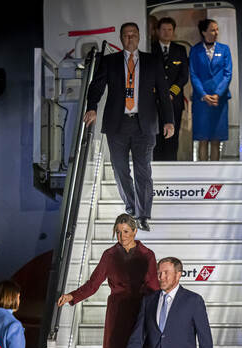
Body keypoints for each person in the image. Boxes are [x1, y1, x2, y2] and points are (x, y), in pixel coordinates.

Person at [57, 214, 158, 348]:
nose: (122, 236)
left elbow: (154, 286)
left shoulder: (147, 255)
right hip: (118, 314)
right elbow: (93, 284)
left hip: (140, 311)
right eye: (119, 232)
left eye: (126, 232)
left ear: (135, 232)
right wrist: (71, 296)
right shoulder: (109, 255)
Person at [84, 22, 175, 232]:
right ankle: (131, 206)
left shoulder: (152, 61)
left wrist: (169, 120)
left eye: (133, 34)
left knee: (143, 170)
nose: (130, 38)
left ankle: (143, 215)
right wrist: (92, 108)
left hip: (145, 124)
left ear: (139, 36)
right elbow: (96, 87)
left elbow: (163, 92)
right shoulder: (110, 61)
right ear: (121, 38)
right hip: (117, 125)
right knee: (120, 170)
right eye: (126, 35)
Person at [189, 19, 232, 161]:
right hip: (202, 100)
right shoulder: (195, 50)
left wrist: (217, 94)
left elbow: (228, 74)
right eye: (213, 30)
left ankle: (215, 174)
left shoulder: (224, 49)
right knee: (203, 137)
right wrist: (204, 95)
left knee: (216, 137)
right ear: (203, 32)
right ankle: (202, 173)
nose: (216, 33)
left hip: (219, 99)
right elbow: (193, 75)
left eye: (217, 29)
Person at [152, 17, 189, 161]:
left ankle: (172, 165)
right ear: (157, 31)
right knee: (156, 135)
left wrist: (171, 92)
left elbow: (184, 76)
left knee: (173, 135)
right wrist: (160, 94)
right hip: (154, 101)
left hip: (175, 101)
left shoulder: (180, 50)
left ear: (173, 31)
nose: (166, 33)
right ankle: (156, 167)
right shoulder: (150, 48)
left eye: (169, 30)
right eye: (163, 29)